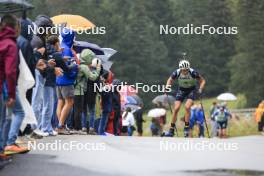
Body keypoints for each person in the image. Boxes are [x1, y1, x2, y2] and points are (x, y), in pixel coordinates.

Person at [163, 59, 205, 137]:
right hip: (181, 90)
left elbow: (202, 81)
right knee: (176, 109)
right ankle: (171, 130)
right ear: (180, 69)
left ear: (188, 68)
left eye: (186, 70)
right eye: (183, 70)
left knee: (187, 107)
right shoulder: (177, 72)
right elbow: (170, 80)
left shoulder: (193, 72)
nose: (185, 72)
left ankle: (186, 128)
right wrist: (167, 88)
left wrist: (200, 89)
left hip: (191, 90)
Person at [0, 14, 19, 166]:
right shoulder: (10, 44)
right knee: (2, 121)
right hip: (1, 87)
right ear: (14, 27)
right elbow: (10, 72)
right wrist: (11, 94)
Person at [73, 49, 101, 134]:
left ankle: (83, 127)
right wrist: (98, 69)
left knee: (83, 110)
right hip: (84, 91)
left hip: (82, 91)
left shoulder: (79, 65)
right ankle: (83, 128)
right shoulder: (85, 67)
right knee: (86, 110)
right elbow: (93, 78)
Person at [56, 28, 78, 135]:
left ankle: (60, 125)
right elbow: (69, 68)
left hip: (58, 79)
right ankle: (61, 125)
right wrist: (75, 70)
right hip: (66, 80)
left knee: (60, 102)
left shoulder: (60, 47)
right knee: (69, 102)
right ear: (71, 38)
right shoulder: (68, 50)